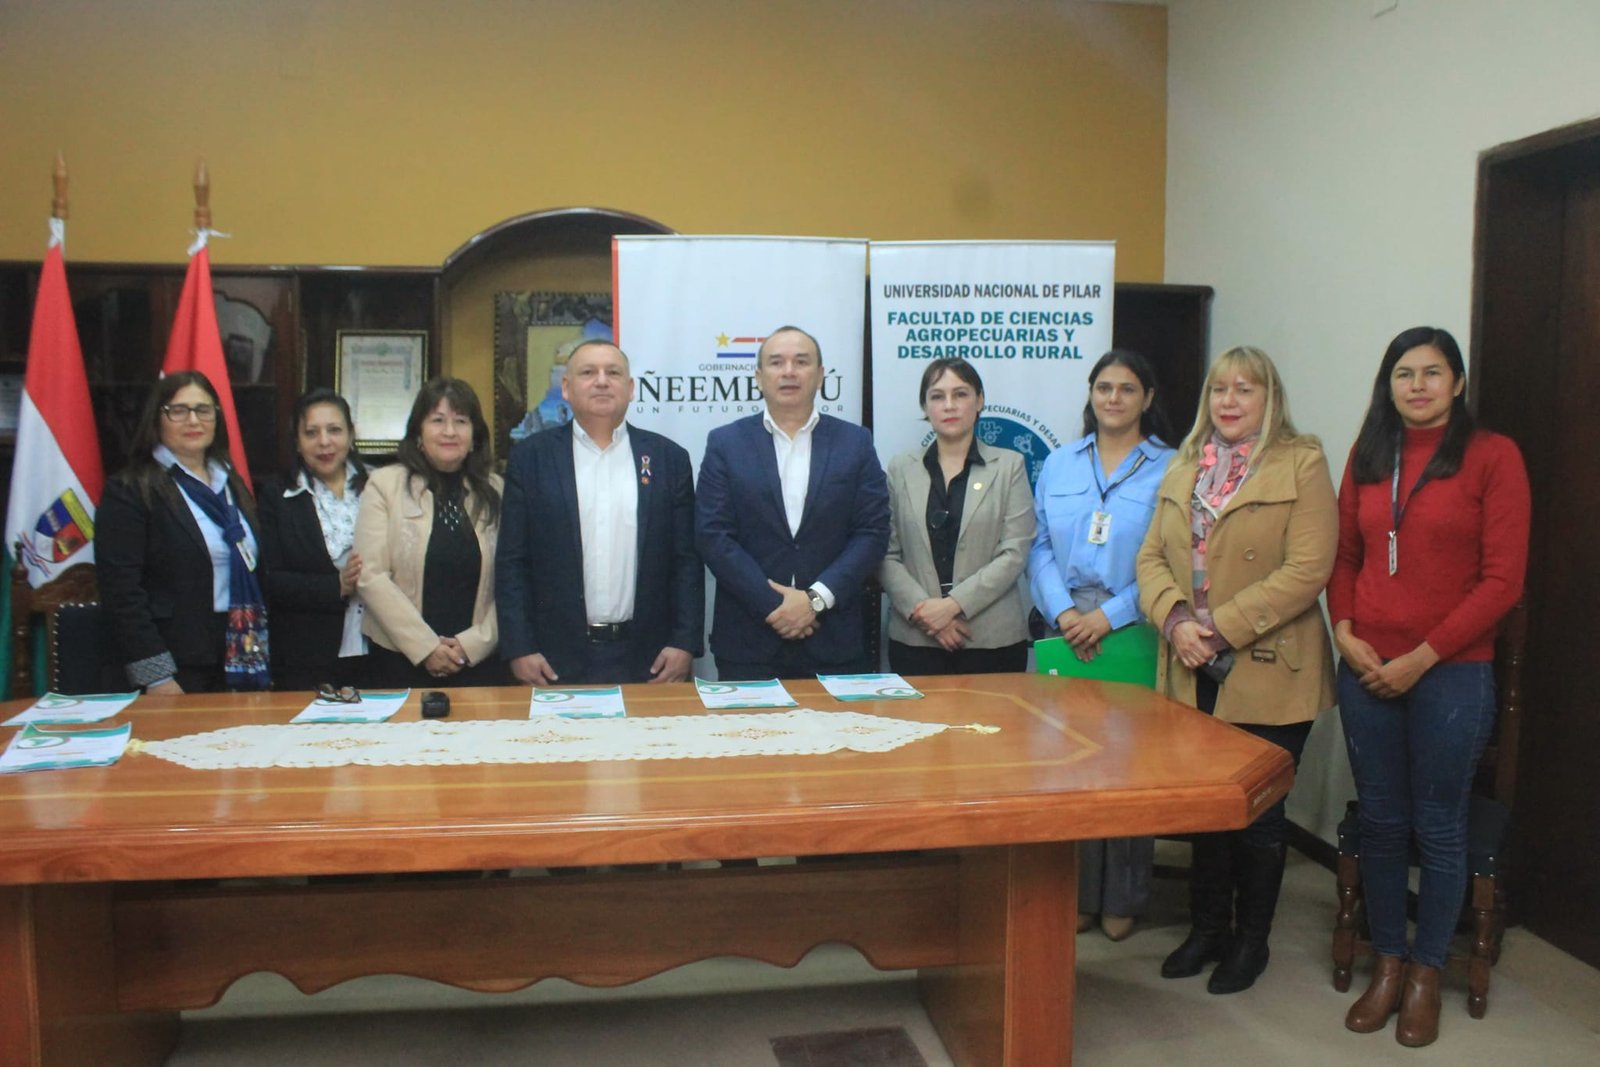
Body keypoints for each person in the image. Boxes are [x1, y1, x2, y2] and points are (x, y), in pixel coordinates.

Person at [1329, 326, 1529, 1047]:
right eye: (1403, 373)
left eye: (1432, 372)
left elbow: (1502, 580)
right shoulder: (1368, 454)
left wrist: (1422, 655)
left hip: (1451, 671)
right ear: (1388, 383)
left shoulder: (1492, 456)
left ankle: (1424, 973)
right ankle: (1387, 958)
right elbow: (1344, 553)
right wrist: (1344, 628)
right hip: (1364, 666)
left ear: (1458, 382)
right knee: (1383, 819)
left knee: (1437, 825)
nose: (1417, 385)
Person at [1136, 345, 1337, 994]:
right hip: (1191, 663)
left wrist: (1219, 626)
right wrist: (1176, 622)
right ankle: (1207, 930)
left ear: (1269, 397)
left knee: (1257, 814)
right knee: (1207, 812)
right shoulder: (1183, 463)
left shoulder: (1301, 461)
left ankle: (1251, 941)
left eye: (1243, 389)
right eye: (1219, 389)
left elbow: (1307, 571)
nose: (1228, 400)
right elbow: (1148, 561)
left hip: (1268, 665)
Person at [1028, 349, 1175, 942]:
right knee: (1063, 766)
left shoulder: (1171, 467)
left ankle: (1124, 896)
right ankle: (1078, 894)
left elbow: (1172, 559)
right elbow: (1037, 545)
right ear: (1090, 394)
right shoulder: (1059, 464)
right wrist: (1064, 612)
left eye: (1127, 389)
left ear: (1146, 398)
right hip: (1062, 630)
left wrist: (1108, 617)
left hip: (1133, 628)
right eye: (1104, 387)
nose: (1113, 399)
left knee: (1126, 768)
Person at [498, 340, 703, 685]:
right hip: (553, 658)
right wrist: (519, 647)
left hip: (651, 659)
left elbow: (686, 560)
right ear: (566, 387)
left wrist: (684, 642)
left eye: (613, 372)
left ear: (631, 388)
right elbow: (512, 562)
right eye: (588, 372)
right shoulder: (531, 459)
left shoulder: (669, 459)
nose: (602, 381)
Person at [696, 325, 889, 680]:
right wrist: (776, 606)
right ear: (759, 376)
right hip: (749, 642)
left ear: (819, 376)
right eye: (776, 362)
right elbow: (713, 536)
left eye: (801, 362)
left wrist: (815, 600)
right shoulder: (725, 443)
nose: (788, 371)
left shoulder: (855, 442)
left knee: (843, 737)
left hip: (835, 641)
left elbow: (872, 533)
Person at [97, 370, 269, 693]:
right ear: (157, 419)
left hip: (238, 652)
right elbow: (122, 594)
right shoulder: (131, 489)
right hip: (174, 664)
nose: (193, 420)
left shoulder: (231, 484)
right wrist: (156, 675)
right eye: (178, 411)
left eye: (203, 410)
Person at [879, 357, 1034, 675]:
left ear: (979, 401)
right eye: (937, 396)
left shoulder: (1010, 466)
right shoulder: (900, 468)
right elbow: (885, 553)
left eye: (960, 394)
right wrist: (928, 615)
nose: (949, 405)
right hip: (916, 639)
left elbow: (1015, 553)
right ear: (925, 407)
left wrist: (952, 606)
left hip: (992, 641)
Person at [354, 377, 505, 688]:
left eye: (460, 421)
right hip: (398, 661)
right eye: (437, 420)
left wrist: (473, 644)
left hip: (479, 664)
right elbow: (370, 575)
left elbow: (513, 579)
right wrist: (426, 648)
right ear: (418, 433)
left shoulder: (497, 491)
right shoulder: (384, 485)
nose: (449, 431)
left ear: (474, 435)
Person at [259, 388, 369, 692]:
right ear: (296, 441)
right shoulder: (277, 495)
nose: (324, 442)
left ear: (350, 435)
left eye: (334, 430)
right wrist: (337, 586)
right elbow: (271, 579)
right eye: (311, 432)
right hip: (304, 655)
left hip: (380, 649)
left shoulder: (379, 487)